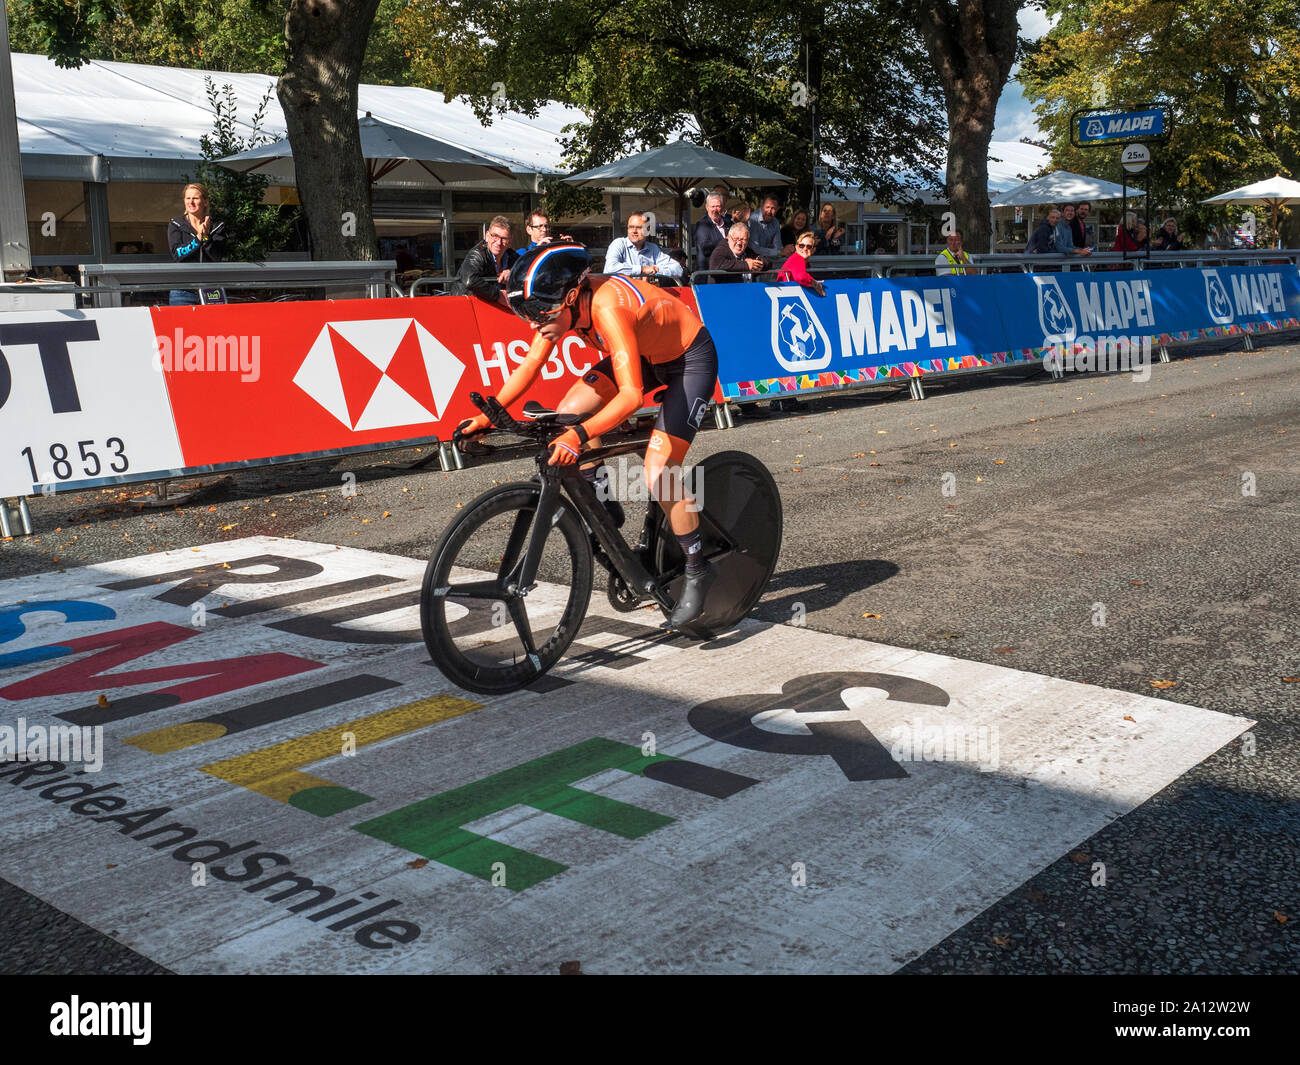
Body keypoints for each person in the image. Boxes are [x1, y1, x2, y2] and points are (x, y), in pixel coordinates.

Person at [456, 243, 720, 628]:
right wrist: (487, 416)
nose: (533, 323)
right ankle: (602, 499)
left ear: (573, 297)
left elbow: (630, 396)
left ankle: (697, 569)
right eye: (527, 313)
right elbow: (531, 364)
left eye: (539, 313)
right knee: (568, 411)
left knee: (659, 470)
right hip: (644, 353)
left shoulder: (608, 309)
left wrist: (578, 437)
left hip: (688, 359)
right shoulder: (560, 307)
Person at [168, 182, 226, 306]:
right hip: (182, 292)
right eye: (188, 198)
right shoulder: (175, 224)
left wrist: (206, 238)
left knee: (212, 326)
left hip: (211, 290)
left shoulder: (217, 227)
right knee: (182, 325)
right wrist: (198, 238)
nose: (191, 202)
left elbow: (217, 257)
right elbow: (177, 254)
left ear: (205, 202)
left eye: (195, 198)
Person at [454, 215, 518, 310]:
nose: (499, 242)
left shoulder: (512, 256)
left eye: (504, 238)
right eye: (495, 236)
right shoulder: (477, 254)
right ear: (487, 236)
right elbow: (470, 280)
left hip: (494, 308)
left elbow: (529, 271)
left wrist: (513, 272)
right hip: (466, 308)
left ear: (510, 241)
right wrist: (498, 295)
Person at [604, 213, 683, 279]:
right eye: (631, 227)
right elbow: (611, 268)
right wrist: (643, 270)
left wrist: (655, 270)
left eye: (639, 227)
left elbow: (677, 269)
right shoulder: (619, 244)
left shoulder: (653, 248)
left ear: (648, 230)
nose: (634, 231)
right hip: (621, 294)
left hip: (644, 295)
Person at [693, 193, 731, 273]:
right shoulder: (702, 225)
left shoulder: (728, 224)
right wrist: (727, 241)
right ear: (707, 207)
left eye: (718, 206)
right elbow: (706, 248)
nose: (715, 209)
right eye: (712, 206)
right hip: (708, 275)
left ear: (722, 207)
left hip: (726, 273)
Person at [748, 195, 786, 260]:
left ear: (777, 209)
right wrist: (779, 252)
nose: (769, 211)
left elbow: (778, 246)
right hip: (750, 259)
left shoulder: (775, 222)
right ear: (761, 206)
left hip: (766, 260)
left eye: (773, 208)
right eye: (767, 207)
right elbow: (755, 249)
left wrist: (782, 251)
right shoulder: (753, 220)